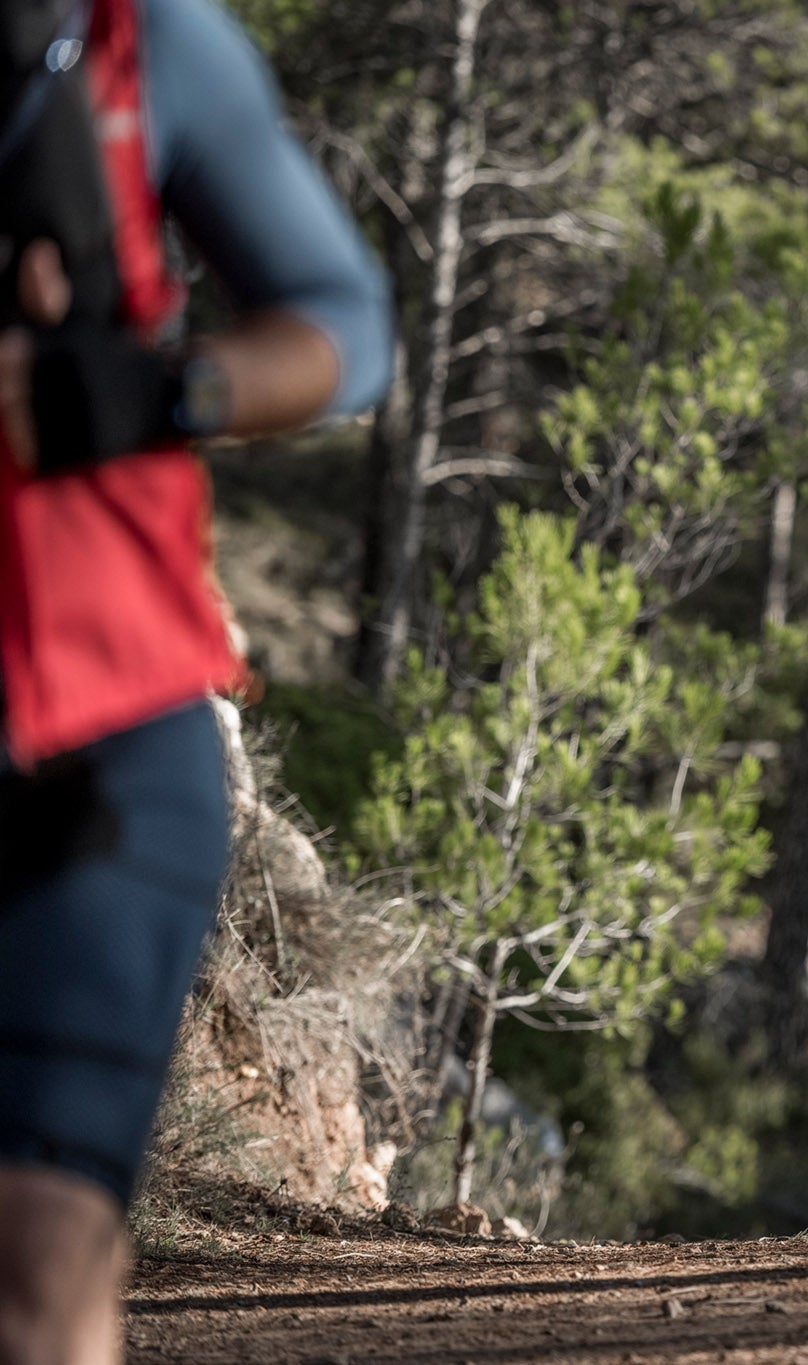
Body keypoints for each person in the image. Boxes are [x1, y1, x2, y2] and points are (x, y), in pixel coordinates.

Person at [0, 0, 391, 1359]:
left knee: (39, 1248)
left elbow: (349, 327)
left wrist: (149, 395)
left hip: (106, 731)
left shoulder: (141, 46)